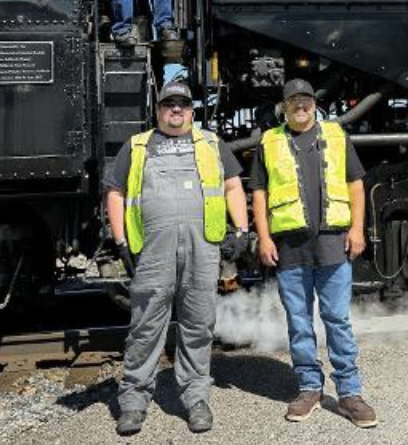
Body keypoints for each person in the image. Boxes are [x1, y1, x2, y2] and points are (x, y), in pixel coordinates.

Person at [105, 81, 249, 436]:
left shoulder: (212, 144)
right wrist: (121, 240)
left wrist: (242, 230)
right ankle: (134, 401)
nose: (176, 109)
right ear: (158, 109)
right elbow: (115, 191)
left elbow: (232, 186)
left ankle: (196, 398)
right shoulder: (137, 146)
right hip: (153, 251)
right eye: (169, 103)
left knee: (198, 326)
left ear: (192, 111)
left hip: (203, 249)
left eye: (182, 104)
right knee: (145, 327)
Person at [249, 78, 377, 428]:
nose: (300, 105)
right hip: (290, 247)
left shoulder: (336, 135)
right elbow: (259, 192)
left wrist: (357, 229)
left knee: (337, 319)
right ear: (284, 106)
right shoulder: (269, 141)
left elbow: (356, 184)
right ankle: (309, 388)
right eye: (294, 101)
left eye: (306, 99)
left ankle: (349, 393)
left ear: (313, 103)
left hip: (333, 243)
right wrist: (264, 238)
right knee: (299, 322)